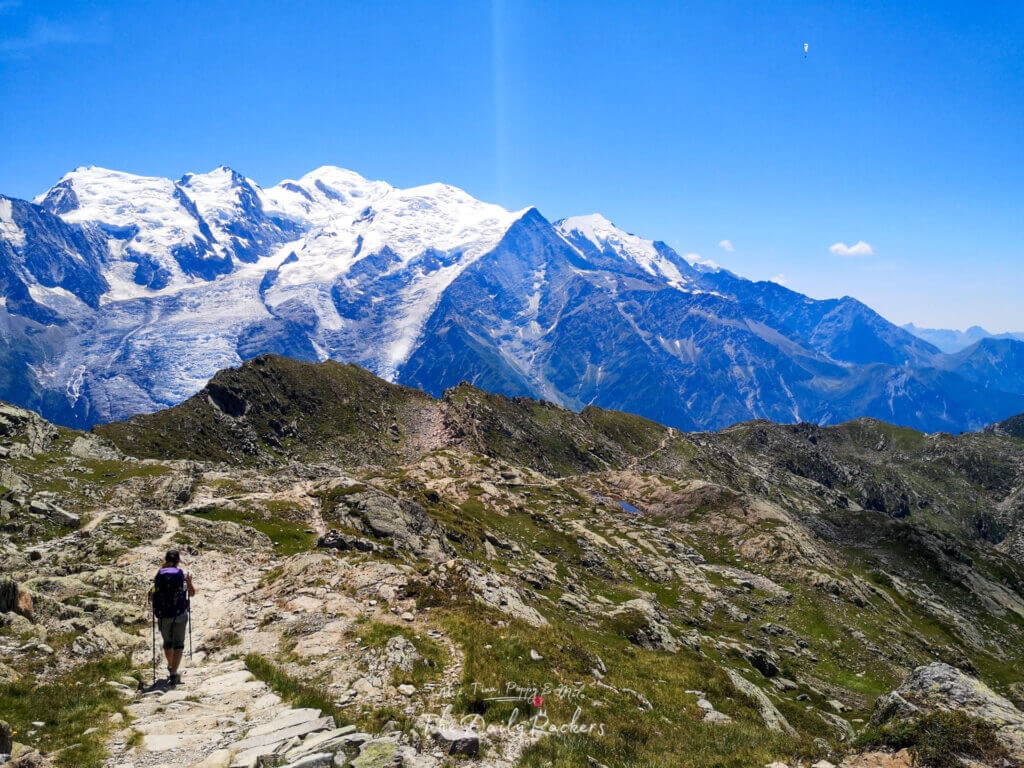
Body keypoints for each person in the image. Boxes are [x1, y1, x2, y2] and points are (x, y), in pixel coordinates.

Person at [151, 549, 195, 685]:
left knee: (168, 643)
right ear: (178, 561)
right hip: (180, 614)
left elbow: (153, 594)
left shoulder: (159, 574)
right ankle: (174, 673)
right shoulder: (181, 574)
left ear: (166, 560)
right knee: (179, 644)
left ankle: (170, 666)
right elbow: (192, 594)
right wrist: (189, 581)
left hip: (163, 615)